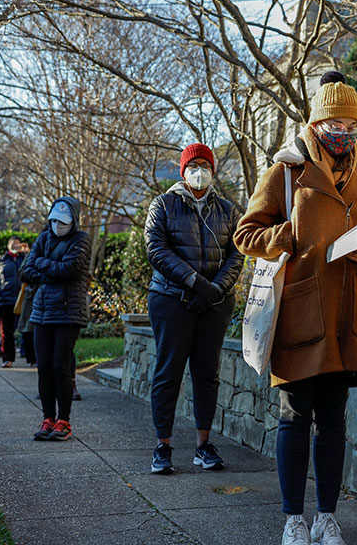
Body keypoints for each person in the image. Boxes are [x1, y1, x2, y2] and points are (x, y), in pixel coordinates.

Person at [234, 71, 357, 545]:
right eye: (337, 125)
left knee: (335, 419)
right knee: (294, 416)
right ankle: (292, 520)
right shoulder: (286, 171)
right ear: (319, 123)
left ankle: (326, 516)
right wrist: (286, 237)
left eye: (353, 126)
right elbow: (246, 234)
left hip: (346, 313)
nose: (345, 135)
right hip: (301, 311)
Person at [144, 142, 244, 475]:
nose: (199, 170)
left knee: (207, 374)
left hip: (214, 303)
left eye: (205, 164)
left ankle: (203, 445)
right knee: (168, 371)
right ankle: (163, 446)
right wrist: (194, 282)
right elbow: (156, 248)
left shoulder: (228, 209)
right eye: (193, 164)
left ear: (213, 170)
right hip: (172, 299)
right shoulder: (163, 204)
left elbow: (237, 253)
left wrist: (214, 289)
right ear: (183, 170)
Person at [20, 197, 92, 441]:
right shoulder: (43, 238)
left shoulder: (81, 240)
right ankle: (47, 418)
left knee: (60, 367)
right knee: (44, 368)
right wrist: (49, 267)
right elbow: (26, 271)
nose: (57, 226)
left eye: (63, 222)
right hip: (42, 312)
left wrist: (41, 265)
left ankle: (64, 421)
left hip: (68, 312)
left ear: (73, 221)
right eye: (54, 221)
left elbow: (70, 269)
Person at [0, 237, 26, 368]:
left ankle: (32, 357)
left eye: (17, 244)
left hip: (22, 299)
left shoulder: (25, 259)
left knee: (27, 329)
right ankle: (7, 358)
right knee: (6, 331)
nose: (15, 246)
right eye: (13, 244)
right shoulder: (1, 261)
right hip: (5, 300)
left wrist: (28, 252)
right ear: (8, 246)